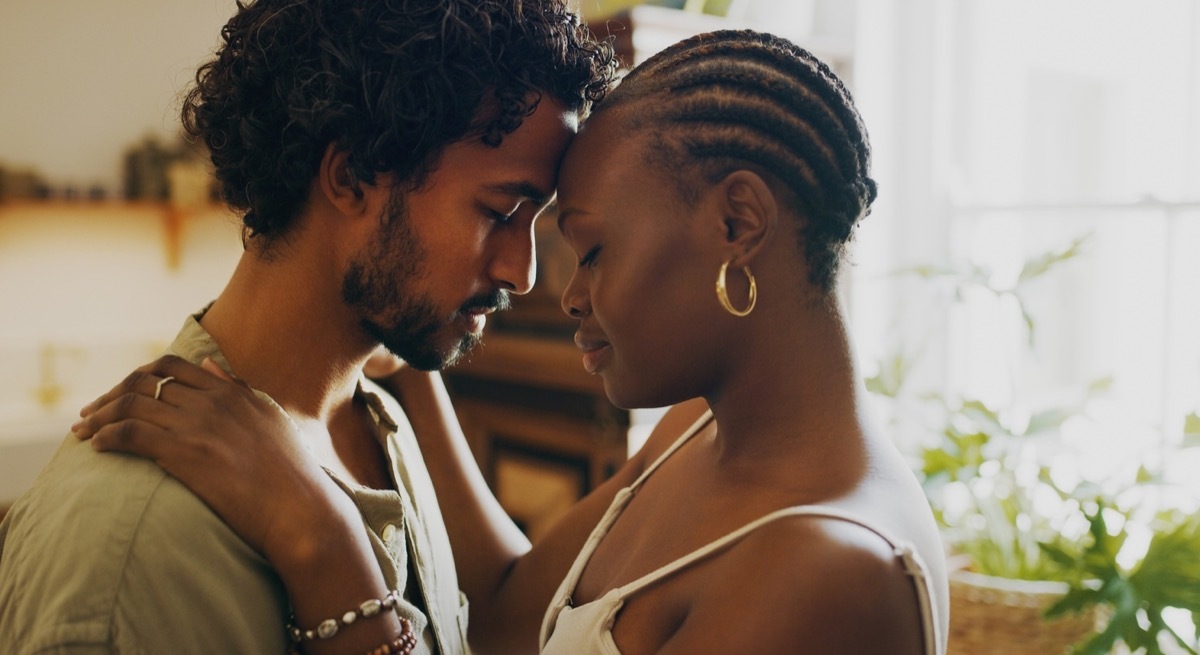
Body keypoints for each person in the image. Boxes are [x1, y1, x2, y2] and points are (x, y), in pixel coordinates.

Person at [69, 30, 949, 654]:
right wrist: (410, 321)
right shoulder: (697, 431)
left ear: (738, 220)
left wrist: (324, 546)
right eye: (503, 213)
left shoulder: (827, 572)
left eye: (590, 248)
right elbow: (498, 614)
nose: (551, 286)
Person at [0, 1, 616, 654]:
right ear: (349, 176)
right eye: (498, 211)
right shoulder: (125, 546)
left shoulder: (384, 425)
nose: (521, 272)